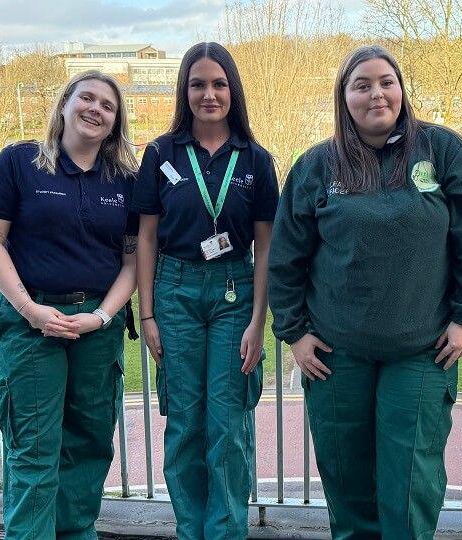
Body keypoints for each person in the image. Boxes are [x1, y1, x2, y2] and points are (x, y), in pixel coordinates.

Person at [269, 45, 462, 539]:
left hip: (421, 350)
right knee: (348, 483)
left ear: (401, 89)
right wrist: (294, 333)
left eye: (386, 81)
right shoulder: (316, 166)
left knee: (410, 484)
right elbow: (286, 258)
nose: (377, 93)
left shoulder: (441, 150)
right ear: (344, 97)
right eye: (362, 84)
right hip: (335, 354)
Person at [0, 70, 139, 539]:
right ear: (64, 105)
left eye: (108, 106)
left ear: (115, 123)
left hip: (97, 326)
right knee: (34, 446)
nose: (96, 109)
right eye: (87, 98)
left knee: (88, 443)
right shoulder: (19, 163)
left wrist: (102, 316)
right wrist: (29, 310)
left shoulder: (125, 180)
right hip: (30, 323)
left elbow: (133, 261)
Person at [132, 42, 278, 540]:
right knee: (185, 424)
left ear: (232, 90)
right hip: (174, 292)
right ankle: (190, 530)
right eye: (198, 84)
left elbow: (266, 247)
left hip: (235, 293)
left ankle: (226, 532)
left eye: (219, 84)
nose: (209, 94)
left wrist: (260, 321)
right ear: (184, 90)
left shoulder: (256, 159)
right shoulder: (160, 153)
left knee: (229, 424)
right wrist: (147, 314)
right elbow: (146, 236)